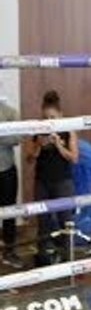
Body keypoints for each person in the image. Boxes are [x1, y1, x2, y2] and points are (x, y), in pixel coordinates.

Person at [24, 91, 79, 266]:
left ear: (60, 115)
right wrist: (39, 145)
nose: (48, 121)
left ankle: (67, 258)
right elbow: (29, 159)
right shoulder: (37, 130)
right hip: (42, 181)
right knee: (43, 221)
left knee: (66, 220)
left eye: (52, 117)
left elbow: (74, 158)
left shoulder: (68, 129)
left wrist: (57, 145)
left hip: (63, 181)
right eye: (45, 117)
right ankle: (43, 258)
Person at [0, 98, 22, 267]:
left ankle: (10, 251)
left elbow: (17, 138)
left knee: (10, 211)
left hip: (6, 170)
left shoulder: (10, 112)